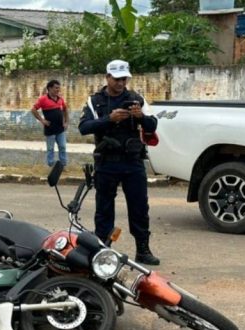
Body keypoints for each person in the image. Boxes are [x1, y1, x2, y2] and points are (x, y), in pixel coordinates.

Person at [78, 59, 160, 266]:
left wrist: (140, 117)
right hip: (107, 163)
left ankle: (143, 249)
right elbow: (84, 127)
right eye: (117, 79)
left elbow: (153, 124)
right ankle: (104, 249)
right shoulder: (95, 101)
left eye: (124, 79)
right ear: (107, 78)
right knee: (104, 209)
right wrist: (109, 119)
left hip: (133, 162)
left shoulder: (136, 99)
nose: (121, 83)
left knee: (140, 207)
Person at [32, 79, 69, 167]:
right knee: (50, 149)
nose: (58, 90)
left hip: (60, 129)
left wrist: (66, 122)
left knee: (62, 147)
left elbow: (65, 109)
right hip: (50, 129)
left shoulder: (60, 99)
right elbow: (33, 109)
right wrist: (42, 120)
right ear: (49, 88)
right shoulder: (43, 99)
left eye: (58, 88)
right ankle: (51, 165)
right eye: (56, 88)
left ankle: (63, 165)